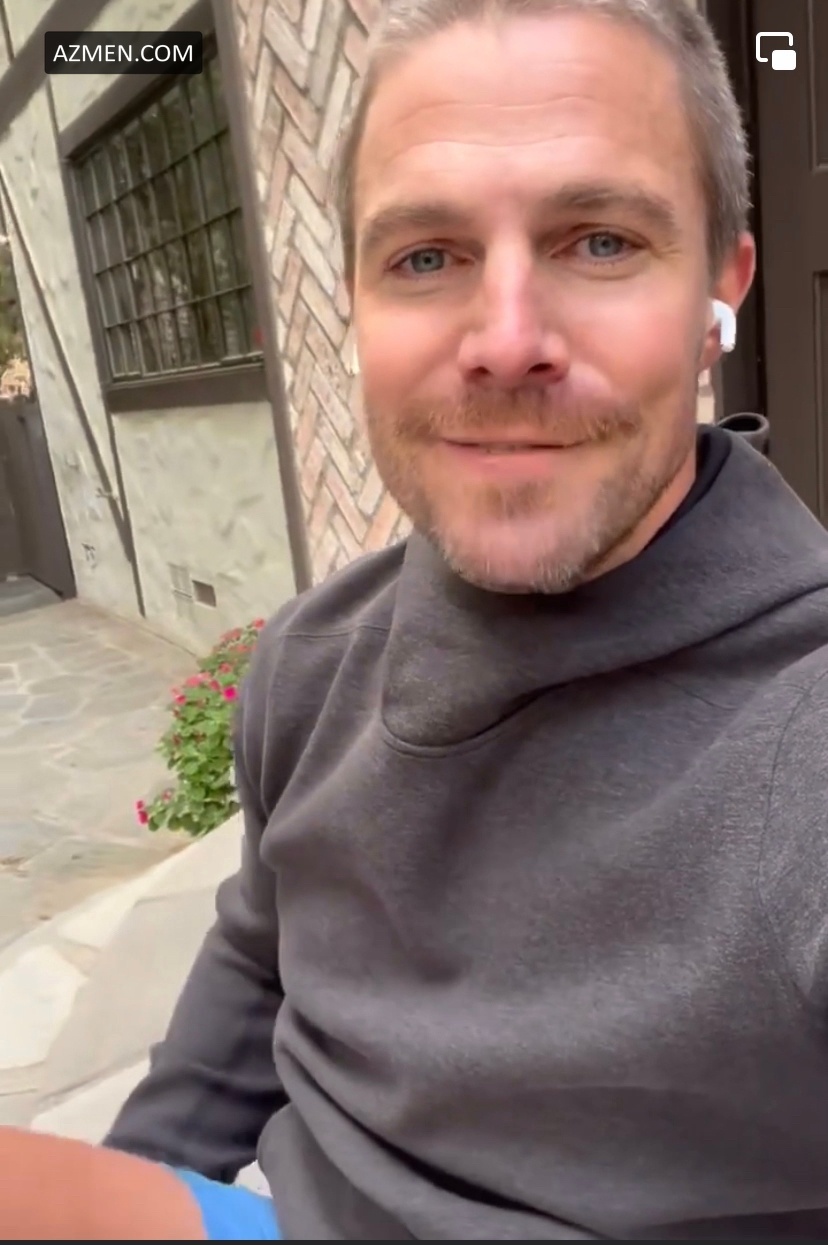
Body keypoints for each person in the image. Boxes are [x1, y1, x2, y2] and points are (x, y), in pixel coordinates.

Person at [6, 0, 828, 1238]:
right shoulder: (310, 661)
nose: (506, 341)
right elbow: (260, 957)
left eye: (601, 241)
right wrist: (141, 1183)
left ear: (720, 291)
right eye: (426, 258)